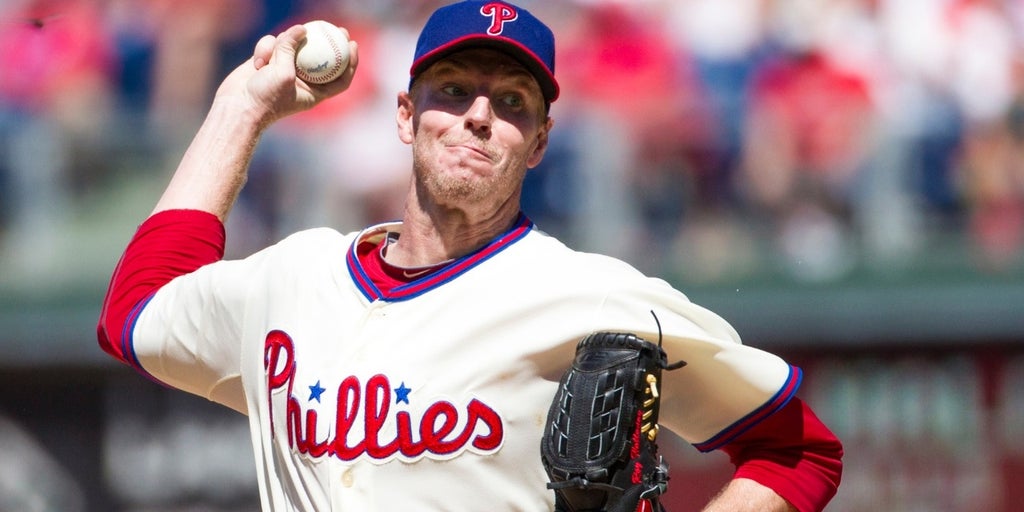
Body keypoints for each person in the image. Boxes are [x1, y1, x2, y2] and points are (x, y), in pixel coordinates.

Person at [97, 1, 843, 510]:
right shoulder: (292, 279)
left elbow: (799, 451)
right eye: (453, 90)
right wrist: (243, 108)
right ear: (406, 116)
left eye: (514, 102)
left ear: (541, 141)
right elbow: (136, 310)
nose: (480, 115)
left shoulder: (594, 300)